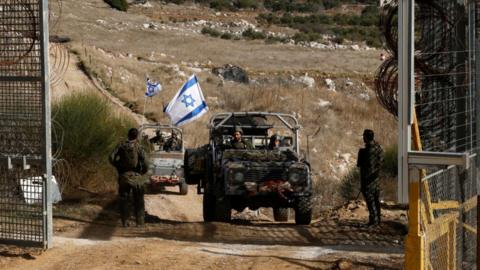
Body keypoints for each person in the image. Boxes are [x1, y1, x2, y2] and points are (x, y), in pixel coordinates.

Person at [110, 128, 149, 227]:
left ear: (128, 135)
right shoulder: (139, 147)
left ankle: (125, 222)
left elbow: (111, 157)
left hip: (124, 176)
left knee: (124, 199)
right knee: (139, 200)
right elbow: (145, 162)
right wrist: (143, 172)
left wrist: (118, 166)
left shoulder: (121, 146)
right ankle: (140, 223)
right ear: (137, 136)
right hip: (136, 176)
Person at [357, 129, 384, 226]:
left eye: (364, 136)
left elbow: (360, 166)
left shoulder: (364, 152)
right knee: (376, 200)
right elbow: (381, 163)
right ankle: (378, 220)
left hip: (367, 180)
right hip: (376, 180)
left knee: (370, 201)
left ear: (366, 137)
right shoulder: (379, 149)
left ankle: (373, 221)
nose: (363, 138)